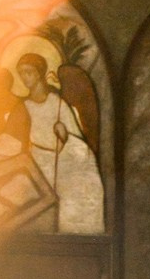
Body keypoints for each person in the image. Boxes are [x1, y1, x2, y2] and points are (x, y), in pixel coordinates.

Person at [16, 52, 104, 233]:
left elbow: (77, 139)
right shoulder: (23, 107)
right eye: (21, 73)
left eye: (29, 72)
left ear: (39, 73)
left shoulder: (57, 104)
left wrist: (64, 134)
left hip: (61, 158)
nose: (25, 78)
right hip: (34, 160)